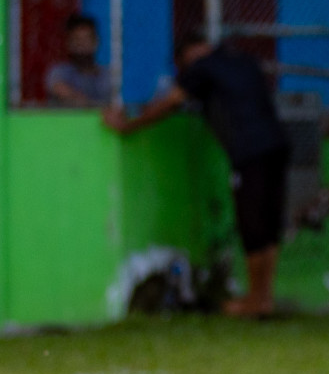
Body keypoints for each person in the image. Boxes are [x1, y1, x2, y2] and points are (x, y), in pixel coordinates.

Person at [103, 33, 290, 317]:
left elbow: (171, 102)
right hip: (277, 145)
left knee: (252, 223)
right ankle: (264, 297)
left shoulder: (202, 68)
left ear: (187, 56)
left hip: (249, 152)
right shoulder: (241, 60)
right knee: (269, 223)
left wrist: (130, 125)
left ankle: (256, 299)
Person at [46, 13, 110, 105]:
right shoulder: (59, 72)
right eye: (77, 39)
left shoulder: (106, 76)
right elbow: (61, 90)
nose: (82, 44)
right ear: (68, 43)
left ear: (96, 41)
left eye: (86, 39)